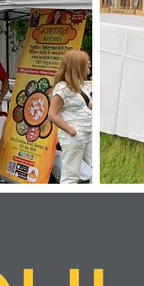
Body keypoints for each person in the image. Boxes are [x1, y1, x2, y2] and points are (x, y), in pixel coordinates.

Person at [48, 50, 92, 185]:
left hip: (89, 132)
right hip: (74, 135)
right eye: (87, 65)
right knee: (71, 174)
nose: (89, 68)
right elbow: (52, 115)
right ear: (78, 66)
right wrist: (71, 131)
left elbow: (85, 105)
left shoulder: (82, 85)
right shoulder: (62, 88)